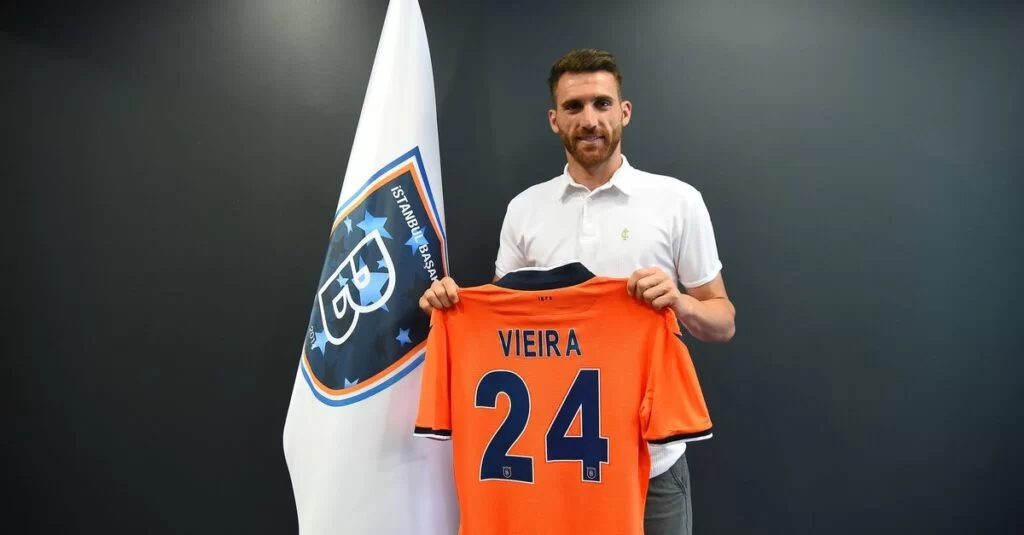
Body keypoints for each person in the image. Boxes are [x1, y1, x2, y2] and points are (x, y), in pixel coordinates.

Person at [419, 48, 736, 535]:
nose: (589, 120)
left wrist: (680, 301)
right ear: (555, 120)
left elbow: (723, 321)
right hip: (554, 463)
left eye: (602, 103)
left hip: (652, 461)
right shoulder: (525, 209)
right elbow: (504, 321)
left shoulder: (677, 202)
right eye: (573, 107)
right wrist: (454, 307)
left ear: (624, 111)